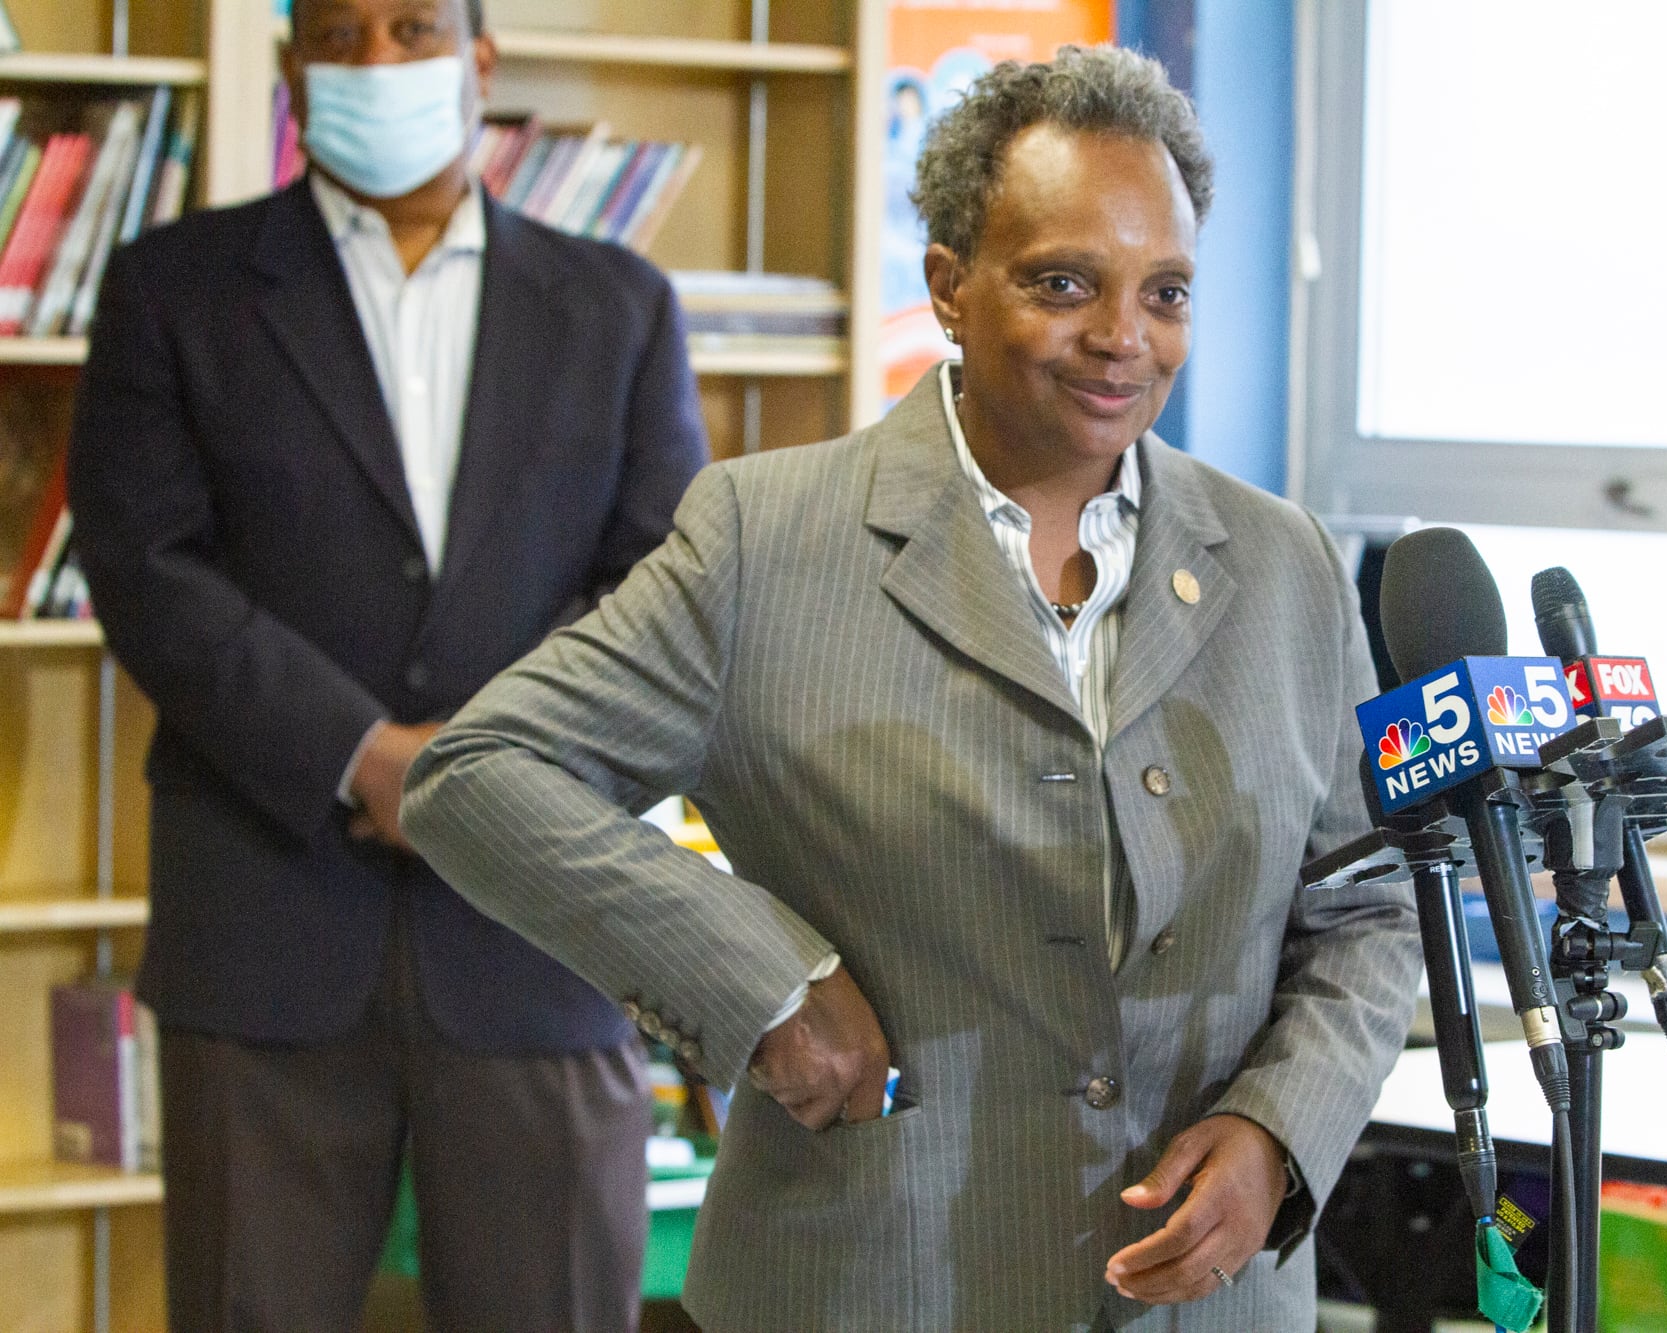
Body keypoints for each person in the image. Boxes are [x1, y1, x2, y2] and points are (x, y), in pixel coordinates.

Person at [403, 45, 1420, 1332]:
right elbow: (478, 773)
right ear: (947, 284)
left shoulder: (1281, 563)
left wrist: (1281, 1132)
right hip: (869, 1283)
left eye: (1163, 291)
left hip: (1202, 1302)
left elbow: (1366, 906)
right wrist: (762, 982)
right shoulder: (762, 539)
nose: (1122, 337)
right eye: (1064, 283)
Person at [65, 0, 708, 1326]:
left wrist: (482, 774)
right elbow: (148, 571)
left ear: (480, 59)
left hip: (540, 927)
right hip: (266, 927)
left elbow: (661, 589)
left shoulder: (617, 306)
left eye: (413, 27)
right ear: (296, 66)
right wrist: (363, 760)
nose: (376, 63)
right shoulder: (170, 289)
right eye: (340, 35)